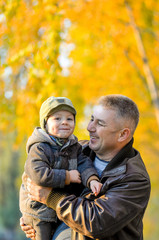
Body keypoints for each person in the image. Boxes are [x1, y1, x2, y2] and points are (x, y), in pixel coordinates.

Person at [20, 94, 151, 240]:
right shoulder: (77, 149)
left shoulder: (135, 179)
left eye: (100, 124)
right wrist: (33, 216)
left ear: (122, 134)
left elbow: (96, 222)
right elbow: (35, 176)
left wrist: (51, 197)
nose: (89, 128)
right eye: (91, 119)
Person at [19, 96, 102, 240]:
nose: (64, 122)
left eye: (69, 119)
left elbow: (84, 164)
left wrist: (92, 180)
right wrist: (67, 176)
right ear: (45, 123)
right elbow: (38, 174)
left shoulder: (74, 147)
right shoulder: (39, 147)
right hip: (39, 210)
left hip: (58, 207)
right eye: (57, 118)